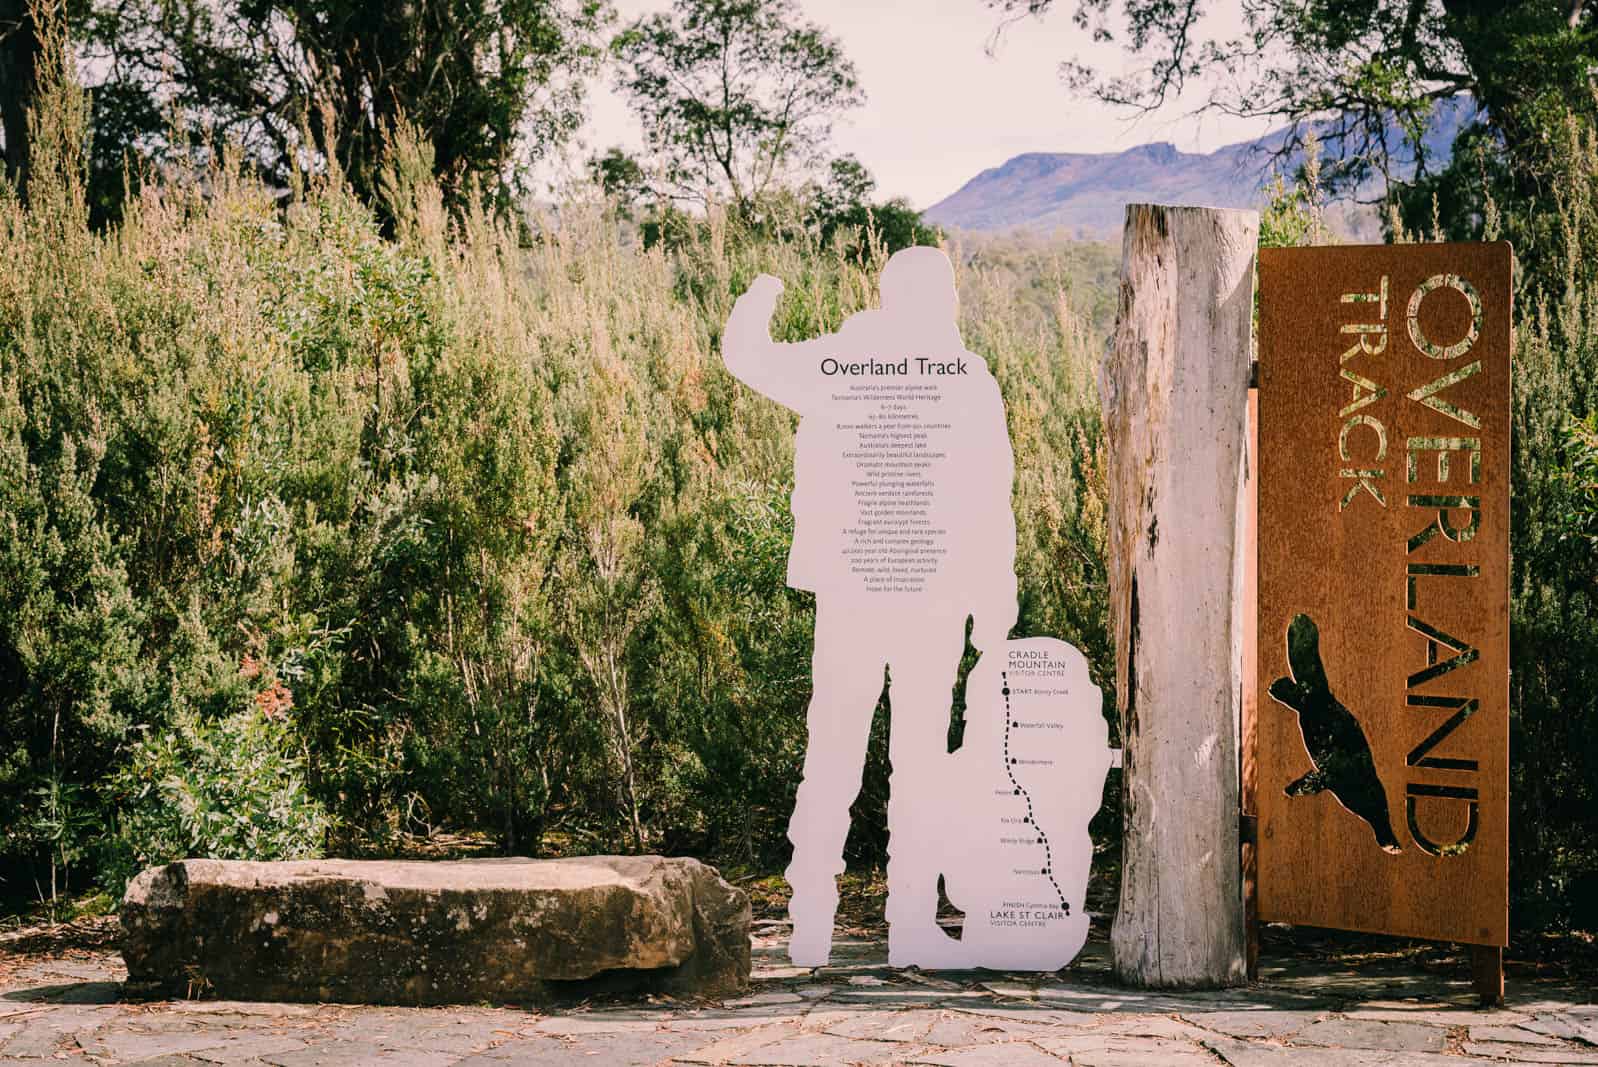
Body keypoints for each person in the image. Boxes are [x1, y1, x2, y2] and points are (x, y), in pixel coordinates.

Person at [721, 246, 1018, 968]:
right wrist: (994, 599)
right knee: (915, 763)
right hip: (929, 595)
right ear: (938, 299)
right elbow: (991, 497)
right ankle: (905, 924)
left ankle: (812, 925)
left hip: (857, 590)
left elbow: (746, 355)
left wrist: (763, 290)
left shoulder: (841, 366)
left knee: (833, 754)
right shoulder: (965, 378)